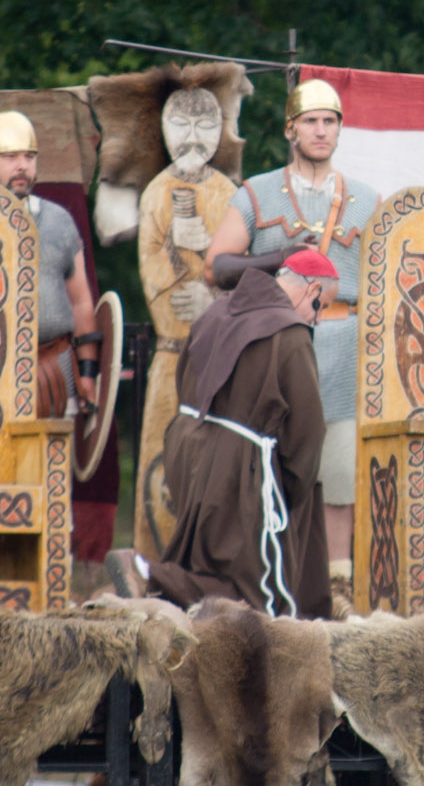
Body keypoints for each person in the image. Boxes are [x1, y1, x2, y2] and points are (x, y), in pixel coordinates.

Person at [204, 78, 379, 618]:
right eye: (310, 121)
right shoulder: (256, 194)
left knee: (339, 473)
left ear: (339, 129)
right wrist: (275, 256)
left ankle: (337, 587)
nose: (320, 130)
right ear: (290, 130)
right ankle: (261, 582)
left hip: (344, 345)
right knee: (269, 466)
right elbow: (218, 267)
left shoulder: (369, 202)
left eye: (329, 121)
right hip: (273, 347)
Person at [106, 249, 339, 616]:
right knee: (254, 591)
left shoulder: (216, 311)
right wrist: (292, 488)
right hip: (236, 465)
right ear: (311, 289)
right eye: (320, 306)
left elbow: (184, 376)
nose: (318, 319)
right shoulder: (290, 333)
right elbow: (306, 432)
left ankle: (148, 582)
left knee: (209, 564)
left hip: (186, 446)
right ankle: (146, 573)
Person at [133, 87, 236, 559]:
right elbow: (149, 268)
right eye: (181, 125)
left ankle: (213, 566)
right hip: (170, 354)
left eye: (205, 126)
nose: (193, 137)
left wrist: (211, 297)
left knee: (218, 462)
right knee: (160, 457)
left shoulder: (230, 194)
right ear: (163, 129)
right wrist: (176, 249)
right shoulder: (156, 193)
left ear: (221, 132)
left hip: (219, 359)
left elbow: (242, 270)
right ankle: (153, 562)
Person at [0, 110, 98, 418]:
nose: (22, 166)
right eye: (10, 157)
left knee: (55, 449)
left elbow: (81, 302)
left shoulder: (58, 221)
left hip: (53, 368)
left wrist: (87, 371)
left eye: (29, 157)